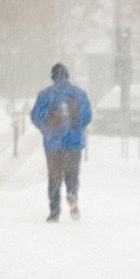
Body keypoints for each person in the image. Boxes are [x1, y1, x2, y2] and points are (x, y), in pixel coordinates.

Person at [30, 63, 92, 222]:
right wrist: (77, 128)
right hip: (74, 143)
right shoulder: (79, 94)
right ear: (67, 75)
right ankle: (72, 193)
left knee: (54, 177)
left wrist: (47, 129)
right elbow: (87, 116)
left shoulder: (46, 95)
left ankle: (54, 211)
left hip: (53, 144)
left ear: (53, 76)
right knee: (72, 174)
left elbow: (36, 116)